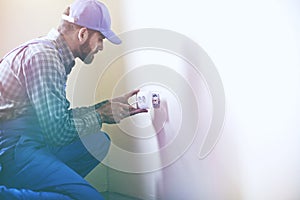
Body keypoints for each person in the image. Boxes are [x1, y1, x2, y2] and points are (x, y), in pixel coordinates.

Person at [0, 0, 147, 199]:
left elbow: (57, 118)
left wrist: (104, 108)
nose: (101, 47)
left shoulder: (54, 55)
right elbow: (58, 133)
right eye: (101, 38)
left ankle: (46, 185)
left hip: (31, 138)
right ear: (83, 34)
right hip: (12, 149)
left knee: (97, 141)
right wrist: (101, 115)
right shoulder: (45, 57)